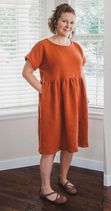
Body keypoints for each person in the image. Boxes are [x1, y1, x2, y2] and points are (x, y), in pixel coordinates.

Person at [22, 3, 88, 204]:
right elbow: (26, 72)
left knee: (69, 145)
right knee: (50, 147)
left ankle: (63, 178)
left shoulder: (76, 47)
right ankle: (45, 188)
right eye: (64, 21)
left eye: (71, 22)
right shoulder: (43, 45)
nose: (68, 25)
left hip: (74, 103)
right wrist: (46, 92)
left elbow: (80, 73)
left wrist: (83, 96)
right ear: (55, 21)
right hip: (52, 105)